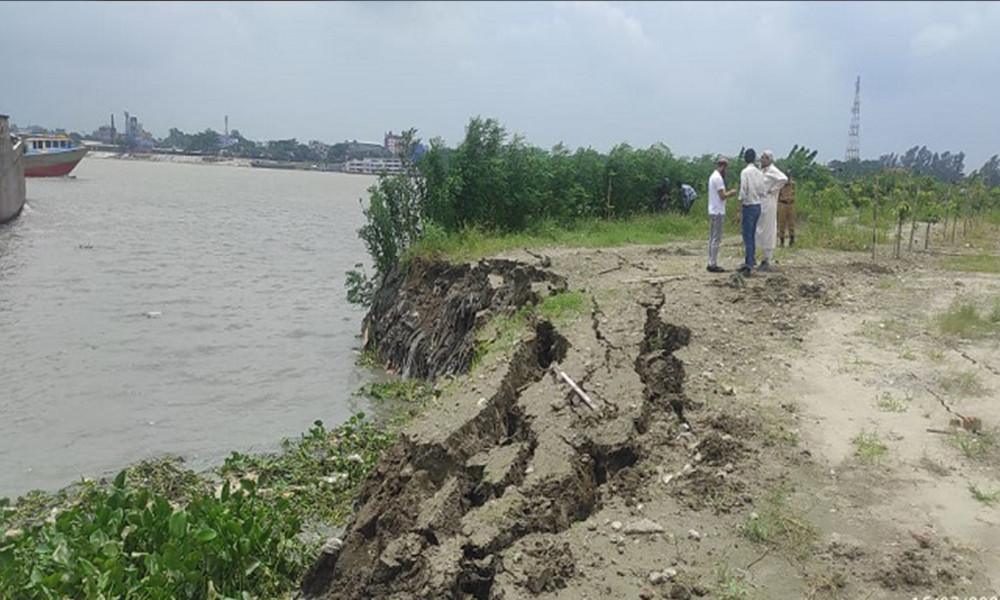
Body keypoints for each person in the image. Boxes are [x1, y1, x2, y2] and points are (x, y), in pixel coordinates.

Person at [755, 150, 788, 271]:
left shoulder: (773, 170)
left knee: (768, 229)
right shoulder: (762, 171)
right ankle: (758, 255)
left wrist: (773, 189)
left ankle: (766, 258)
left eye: (764, 158)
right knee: (760, 229)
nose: (761, 160)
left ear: (769, 159)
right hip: (761, 201)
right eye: (761, 157)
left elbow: (783, 179)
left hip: (769, 201)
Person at [737, 148, 764, 275]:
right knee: (752, 236)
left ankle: (748, 265)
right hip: (757, 205)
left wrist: (738, 209)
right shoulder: (759, 173)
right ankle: (751, 260)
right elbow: (762, 191)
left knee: (747, 236)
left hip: (748, 206)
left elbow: (743, 191)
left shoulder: (745, 172)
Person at [706, 158, 736, 272]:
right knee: (716, 238)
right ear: (723, 166)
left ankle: (711, 261)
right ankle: (713, 263)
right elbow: (722, 195)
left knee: (712, 238)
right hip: (718, 211)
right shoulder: (718, 178)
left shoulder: (713, 176)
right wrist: (731, 193)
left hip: (713, 210)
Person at [778, 173, 796, 247]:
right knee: (782, 223)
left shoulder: (793, 185)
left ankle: (792, 239)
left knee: (791, 223)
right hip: (783, 204)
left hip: (791, 204)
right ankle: (782, 241)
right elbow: (778, 196)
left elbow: (794, 193)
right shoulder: (781, 185)